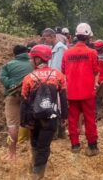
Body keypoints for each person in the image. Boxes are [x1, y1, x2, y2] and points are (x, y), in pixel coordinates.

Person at [21, 45, 68, 179]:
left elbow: (24, 101)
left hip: (33, 117)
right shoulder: (58, 75)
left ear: (37, 59)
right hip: (51, 116)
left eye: (32, 58)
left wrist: (24, 121)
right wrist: (64, 116)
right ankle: (38, 172)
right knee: (44, 145)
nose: (31, 61)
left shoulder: (29, 77)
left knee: (35, 143)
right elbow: (63, 98)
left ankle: (36, 168)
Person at [61, 22, 100, 156]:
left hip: (72, 93)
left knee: (73, 119)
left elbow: (64, 71)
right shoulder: (92, 53)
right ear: (88, 36)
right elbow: (96, 72)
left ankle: (75, 145)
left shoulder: (67, 53)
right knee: (89, 119)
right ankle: (92, 146)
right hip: (88, 93)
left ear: (76, 35)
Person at [0, 45, 33, 160]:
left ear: (14, 54)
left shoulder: (7, 65)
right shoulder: (33, 64)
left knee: (12, 125)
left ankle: (12, 154)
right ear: (26, 53)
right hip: (29, 98)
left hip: (12, 96)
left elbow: (3, 79)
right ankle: (32, 152)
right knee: (32, 123)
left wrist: (13, 84)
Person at [41, 28, 68, 139]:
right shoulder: (54, 49)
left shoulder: (60, 49)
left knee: (57, 106)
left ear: (52, 37)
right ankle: (59, 132)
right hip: (54, 81)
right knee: (56, 106)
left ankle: (57, 132)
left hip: (57, 82)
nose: (44, 41)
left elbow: (56, 69)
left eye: (45, 38)